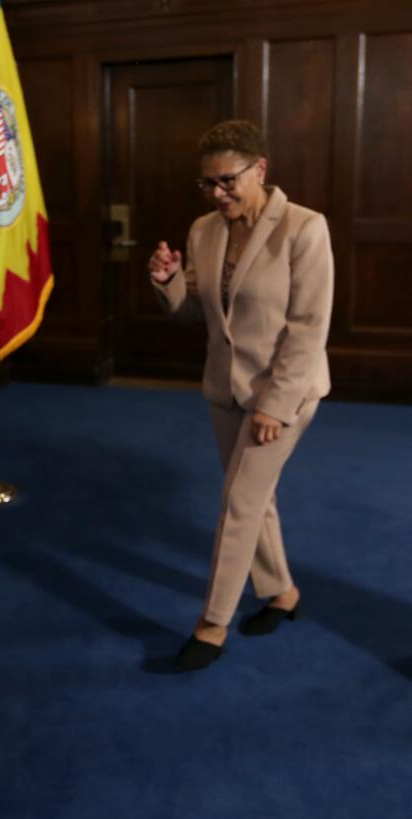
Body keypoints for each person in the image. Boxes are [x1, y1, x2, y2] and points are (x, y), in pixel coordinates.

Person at [149, 119, 333, 671]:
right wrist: (169, 282)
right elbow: (195, 313)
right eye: (207, 184)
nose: (217, 193)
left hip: (285, 394)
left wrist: (275, 406)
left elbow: (308, 327)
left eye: (227, 181)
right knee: (255, 497)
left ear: (260, 170)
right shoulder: (204, 230)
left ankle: (212, 625)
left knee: (238, 504)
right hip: (224, 388)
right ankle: (282, 593)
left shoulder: (303, 228)